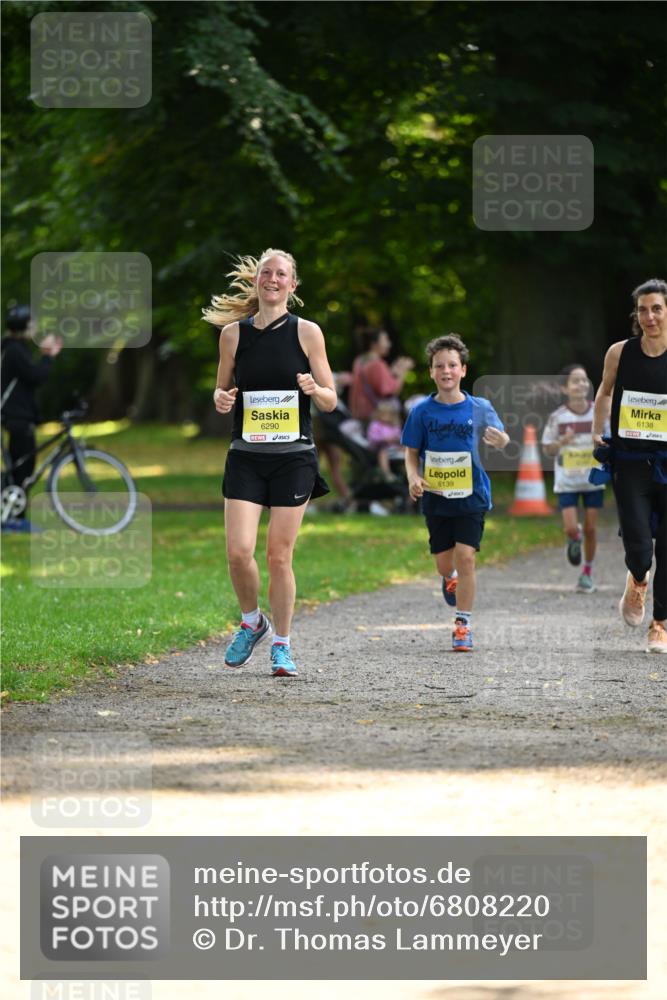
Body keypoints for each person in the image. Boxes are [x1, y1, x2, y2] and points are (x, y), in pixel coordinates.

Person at [203, 249, 337, 677]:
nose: (273, 279)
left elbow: (332, 400)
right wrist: (222, 399)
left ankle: (282, 643)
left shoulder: (308, 333)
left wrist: (314, 388)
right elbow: (221, 392)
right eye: (267, 273)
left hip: (293, 458)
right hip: (246, 456)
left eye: (281, 274)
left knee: (279, 556)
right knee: (238, 553)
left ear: (292, 285)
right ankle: (251, 621)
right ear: (257, 281)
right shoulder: (233, 336)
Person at [401, 334, 509, 652]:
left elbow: (502, 438)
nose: (446, 371)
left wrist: (500, 440)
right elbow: (411, 452)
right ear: (431, 372)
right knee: (443, 562)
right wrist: (413, 477)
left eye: (452, 365)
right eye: (439, 366)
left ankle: (463, 625)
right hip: (436, 496)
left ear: (463, 370)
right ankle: (447, 576)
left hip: (471, 495)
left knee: (467, 558)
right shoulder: (422, 412)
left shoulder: (480, 407)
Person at [592, 278, 667, 654]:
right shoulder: (620, 352)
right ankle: (638, 579)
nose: (649, 316)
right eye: (643, 309)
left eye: (656, 308)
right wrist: (597, 430)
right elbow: (604, 392)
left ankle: (660, 624)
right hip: (631, 460)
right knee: (639, 544)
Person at [542, 364, 606, 593]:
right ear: (564, 388)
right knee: (571, 528)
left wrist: (601, 442)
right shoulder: (557, 417)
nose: (581, 384)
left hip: (592, 480)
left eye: (584, 379)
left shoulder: (597, 412)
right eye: (575, 381)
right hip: (567, 482)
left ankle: (587, 573)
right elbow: (548, 448)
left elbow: (609, 440)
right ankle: (573, 537)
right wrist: (562, 442)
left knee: (590, 528)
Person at [1, 305, 62, 533]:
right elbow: (34, 376)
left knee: (19, 467)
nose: (35, 328)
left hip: (16, 414)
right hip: (17, 416)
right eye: (32, 324)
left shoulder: (12, 349)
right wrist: (47, 356)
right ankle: (14, 519)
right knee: (23, 468)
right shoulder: (15, 350)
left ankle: (12, 515)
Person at [349, 327, 413, 424]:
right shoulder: (377, 364)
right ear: (374, 344)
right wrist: (403, 371)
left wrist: (393, 373)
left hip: (359, 415)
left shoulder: (359, 361)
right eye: (385, 340)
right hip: (376, 419)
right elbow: (390, 392)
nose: (389, 344)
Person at [367, 399, 405, 481]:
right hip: (379, 448)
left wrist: (398, 439)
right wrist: (385, 439)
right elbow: (372, 438)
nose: (386, 416)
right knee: (383, 452)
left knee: (408, 449)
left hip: (394, 448)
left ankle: (410, 471)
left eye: (388, 414)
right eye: (383, 414)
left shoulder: (394, 425)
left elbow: (400, 437)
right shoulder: (375, 425)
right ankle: (386, 473)